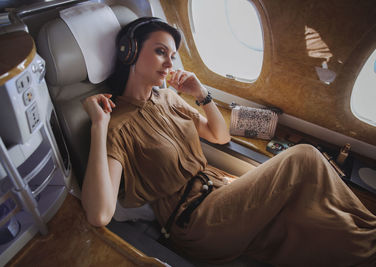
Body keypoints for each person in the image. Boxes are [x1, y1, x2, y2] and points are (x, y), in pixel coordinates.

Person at [81, 17, 376, 266]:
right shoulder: (116, 124)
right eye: (160, 52)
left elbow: (219, 135)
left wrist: (201, 93)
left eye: (172, 55)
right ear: (129, 53)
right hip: (197, 221)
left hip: (222, 193)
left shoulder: (168, 98)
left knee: (314, 222)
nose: (170, 63)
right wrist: (98, 125)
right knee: (306, 157)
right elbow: (100, 214)